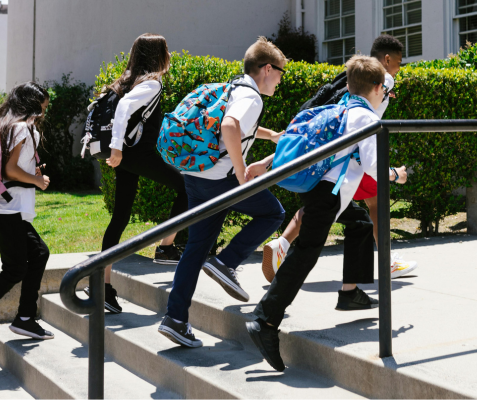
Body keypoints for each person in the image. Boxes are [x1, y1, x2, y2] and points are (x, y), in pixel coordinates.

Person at [245, 55, 408, 372]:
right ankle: (265, 322)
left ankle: (347, 293)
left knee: (356, 223)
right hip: (329, 194)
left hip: (318, 187)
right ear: (378, 88)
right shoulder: (366, 118)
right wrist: (397, 175)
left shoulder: (342, 109)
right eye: (384, 90)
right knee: (304, 255)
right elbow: (374, 167)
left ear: (348, 85)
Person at [157, 37, 287, 348]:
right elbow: (230, 126)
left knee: (195, 249)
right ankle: (227, 262)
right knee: (273, 212)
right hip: (220, 179)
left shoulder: (233, 87)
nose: (280, 80)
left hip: (195, 174)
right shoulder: (252, 98)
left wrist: (272, 136)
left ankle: (175, 318)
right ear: (267, 69)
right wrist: (241, 170)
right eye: (280, 73)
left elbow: (233, 124)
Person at [262, 34, 418, 283]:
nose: (400, 68)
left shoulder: (356, 78)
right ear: (387, 59)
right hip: (355, 162)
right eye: (399, 62)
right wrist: (394, 172)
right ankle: (383, 265)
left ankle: (282, 242)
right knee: (373, 208)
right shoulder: (383, 79)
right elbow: (366, 124)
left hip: (338, 161)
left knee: (323, 208)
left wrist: (268, 160)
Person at [93, 33, 188, 314]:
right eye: (166, 51)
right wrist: (117, 148)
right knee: (185, 187)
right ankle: (166, 247)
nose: (169, 56)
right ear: (159, 56)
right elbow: (123, 108)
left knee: (120, 217)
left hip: (127, 158)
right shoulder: (151, 84)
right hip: (135, 155)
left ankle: (104, 287)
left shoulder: (126, 80)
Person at [0, 82, 54, 359]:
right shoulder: (22, 127)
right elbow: (10, 169)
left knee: (39, 252)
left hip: (3, 208)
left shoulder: (5, 124)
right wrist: (38, 180)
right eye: (44, 102)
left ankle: (25, 318)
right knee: (14, 269)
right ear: (34, 102)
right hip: (6, 210)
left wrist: (32, 171)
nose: (46, 107)